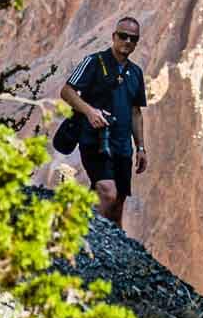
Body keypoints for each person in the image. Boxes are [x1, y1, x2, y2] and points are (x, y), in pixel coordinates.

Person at [59, 16, 148, 226]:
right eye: (123, 36)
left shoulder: (136, 73)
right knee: (108, 192)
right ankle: (87, 237)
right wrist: (90, 112)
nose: (127, 41)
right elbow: (67, 91)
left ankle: (104, 241)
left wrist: (141, 147)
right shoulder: (94, 62)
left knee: (117, 204)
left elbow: (136, 112)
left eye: (133, 38)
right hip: (95, 140)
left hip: (123, 146)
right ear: (114, 36)